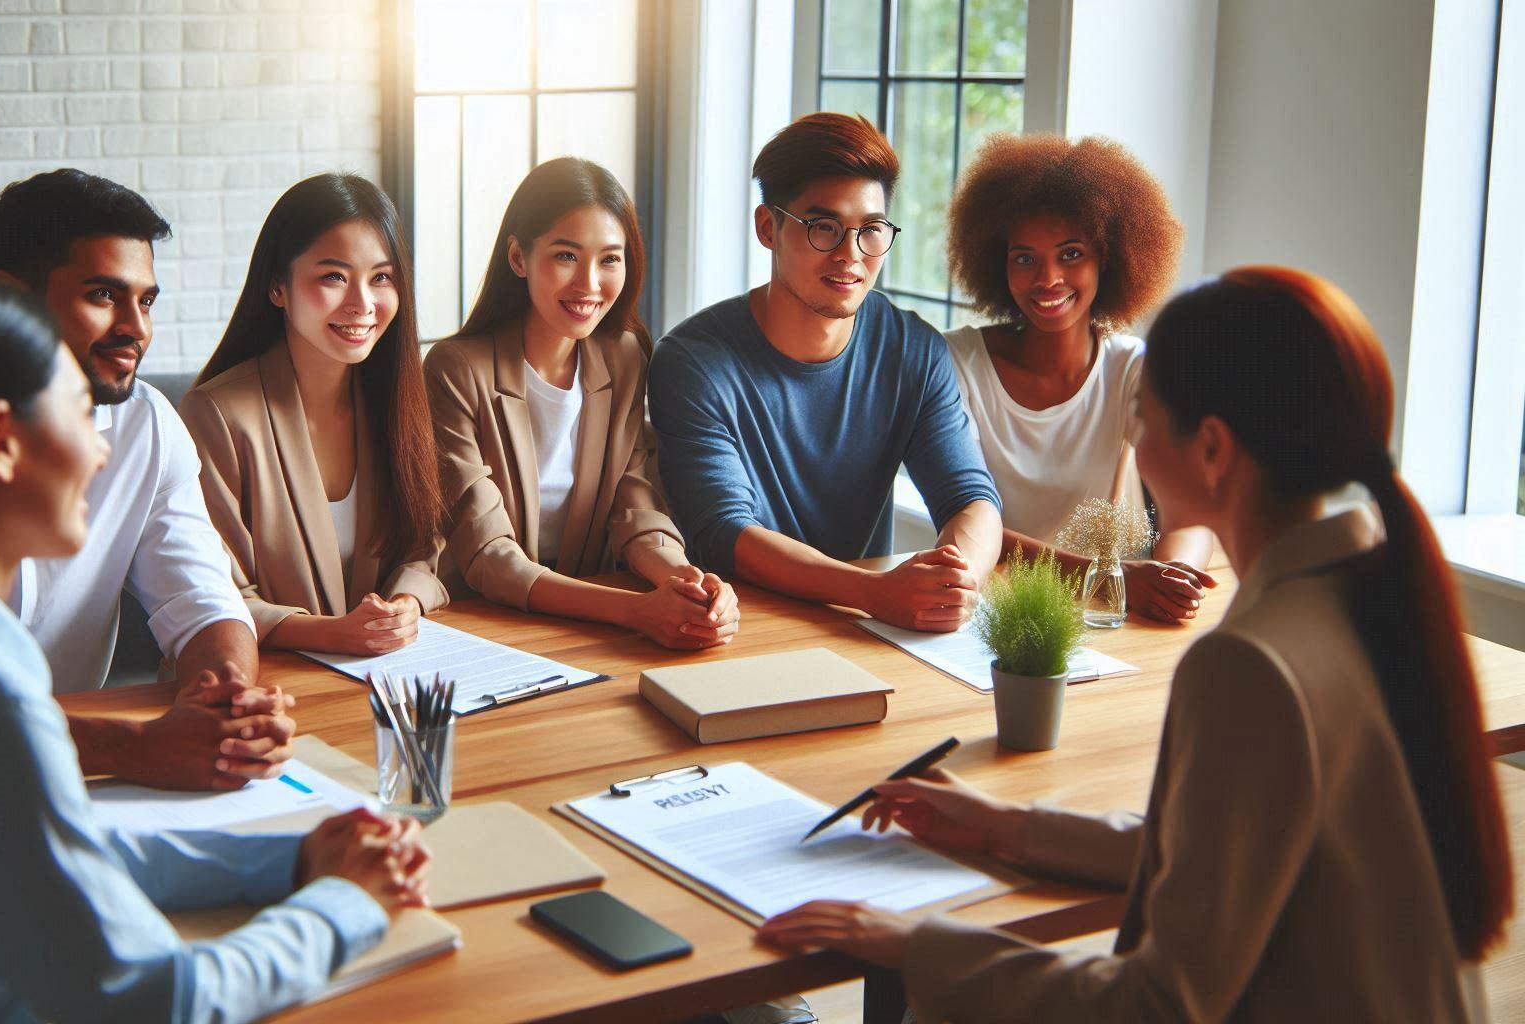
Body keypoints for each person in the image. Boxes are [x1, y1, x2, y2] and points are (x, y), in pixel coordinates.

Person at [757, 267, 1513, 1021]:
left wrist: (915, 943)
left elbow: (1158, 1005)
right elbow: (1221, 851)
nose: (1135, 444)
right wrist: (1008, 827)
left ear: (1213, 451)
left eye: (1143, 421)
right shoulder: (1371, 591)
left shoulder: (1248, 663)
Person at [0, 276, 432, 1022]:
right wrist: (345, 902)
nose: (102, 453)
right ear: (1, 442)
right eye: (80, 414)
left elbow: (57, 854)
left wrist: (288, 860)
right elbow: (157, 1001)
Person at [0, 169, 293, 791]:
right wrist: (135, 747)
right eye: (103, 295)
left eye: (145, 300)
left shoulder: (146, 422)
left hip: (67, 781)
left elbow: (200, 600)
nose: (137, 329)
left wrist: (227, 703)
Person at [649, 113, 1002, 633]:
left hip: (861, 631)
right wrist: (873, 593)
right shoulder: (692, 361)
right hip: (733, 627)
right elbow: (727, 531)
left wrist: (957, 580)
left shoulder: (914, 351)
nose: (850, 255)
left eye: (871, 231)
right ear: (768, 228)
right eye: (824, 229)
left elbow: (972, 497)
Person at [424, 157, 737, 649]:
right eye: (567, 256)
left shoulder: (625, 357)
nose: (589, 284)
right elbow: (488, 555)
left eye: (610, 259)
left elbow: (634, 509)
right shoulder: (455, 369)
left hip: (585, 629)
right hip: (482, 628)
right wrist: (635, 611)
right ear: (519, 257)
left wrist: (685, 581)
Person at [942, 133, 1216, 623]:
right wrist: (1107, 577)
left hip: (1116, 624)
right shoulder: (961, 362)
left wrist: (1175, 577)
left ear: (1107, 258)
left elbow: (1190, 511)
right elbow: (966, 520)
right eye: (1024, 258)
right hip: (997, 621)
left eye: (1070, 254)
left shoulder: (1131, 368)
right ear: (996, 264)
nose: (1047, 278)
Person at [180, 174, 446, 656]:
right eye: (334, 277)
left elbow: (422, 548)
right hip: (258, 682)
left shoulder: (393, 399)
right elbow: (214, 596)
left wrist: (406, 602)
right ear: (278, 287)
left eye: (381, 277)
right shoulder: (216, 415)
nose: (362, 304)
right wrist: (335, 634)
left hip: (377, 675)